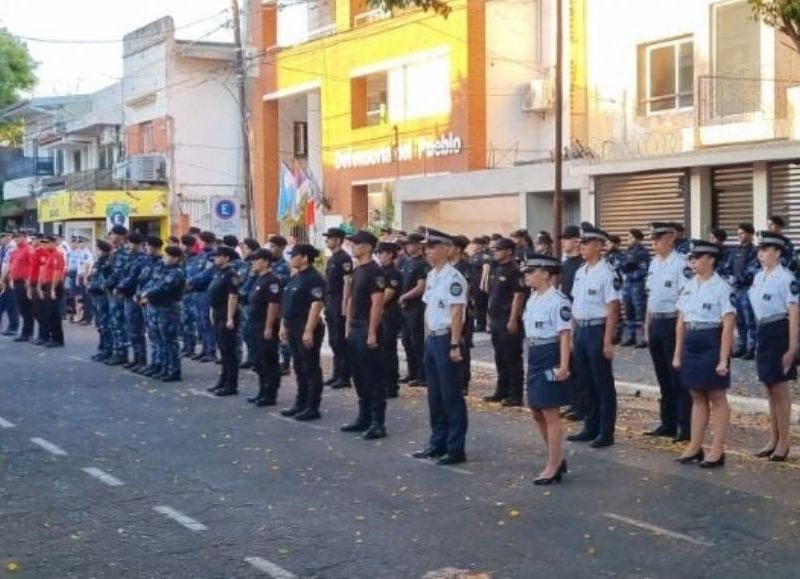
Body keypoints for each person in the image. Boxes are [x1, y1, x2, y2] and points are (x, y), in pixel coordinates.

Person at [673, 240, 736, 468]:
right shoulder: (689, 285)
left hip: (711, 340)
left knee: (717, 397)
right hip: (691, 340)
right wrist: (677, 353)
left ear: (710, 259)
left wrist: (722, 358)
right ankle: (694, 446)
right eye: (691, 258)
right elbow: (680, 322)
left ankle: (717, 449)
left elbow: (728, 326)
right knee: (697, 396)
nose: (693, 262)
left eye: (697, 258)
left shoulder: (722, 287)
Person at [412, 229, 469, 465]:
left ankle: (455, 447)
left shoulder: (454, 278)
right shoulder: (433, 275)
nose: (428, 251)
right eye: (427, 248)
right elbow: (429, 309)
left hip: (447, 338)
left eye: (433, 247)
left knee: (451, 395)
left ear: (447, 249)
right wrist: (427, 336)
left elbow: (457, 312)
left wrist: (454, 344)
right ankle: (437, 442)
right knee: (434, 395)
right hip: (433, 338)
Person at [567, 226, 622, 449]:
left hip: (597, 330)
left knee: (602, 382)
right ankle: (590, 425)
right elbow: (574, 305)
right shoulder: (581, 271)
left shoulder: (607, 273)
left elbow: (613, 308)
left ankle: (605, 431)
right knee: (585, 381)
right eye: (581, 244)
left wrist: (608, 340)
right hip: (581, 329)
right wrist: (572, 334)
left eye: (586, 244)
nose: (582, 247)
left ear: (599, 246)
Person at [522, 254, 573, 484]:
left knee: (550, 412)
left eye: (531, 271)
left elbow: (564, 335)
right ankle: (556, 458)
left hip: (550, 354)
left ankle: (553, 465)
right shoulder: (533, 298)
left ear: (545, 273)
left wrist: (563, 365)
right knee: (536, 411)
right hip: (534, 354)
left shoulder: (558, 300)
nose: (527, 275)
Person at [749, 231, 799, 461]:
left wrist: (792, 347)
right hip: (763, 331)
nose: (761, 254)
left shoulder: (786, 278)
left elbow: (794, 313)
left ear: (778, 252)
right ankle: (773, 438)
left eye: (766, 250)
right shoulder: (760, 277)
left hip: (780, 330)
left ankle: (784, 442)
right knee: (769, 388)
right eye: (760, 250)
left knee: (780, 390)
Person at [644, 223, 692, 442]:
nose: (653, 243)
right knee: (662, 376)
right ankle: (668, 422)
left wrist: (680, 327)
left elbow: (685, 298)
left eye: (657, 238)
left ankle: (684, 425)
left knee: (678, 376)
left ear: (670, 238)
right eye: (652, 239)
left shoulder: (680, 264)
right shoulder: (654, 263)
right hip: (656, 321)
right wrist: (647, 324)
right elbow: (651, 296)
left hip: (673, 322)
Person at [341, 230, 387, 439]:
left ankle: (378, 422)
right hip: (356, 327)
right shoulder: (359, 270)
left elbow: (377, 303)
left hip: (368, 328)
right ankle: (364, 417)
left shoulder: (374, 271)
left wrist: (371, 332)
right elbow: (351, 300)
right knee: (358, 375)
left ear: (368, 247)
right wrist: (348, 326)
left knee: (373, 376)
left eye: (356, 244)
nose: (352, 246)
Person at [279, 243, 326, 421]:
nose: (291, 258)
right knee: (298, 366)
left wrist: (308, 330)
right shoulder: (295, 276)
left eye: (294, 255)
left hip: (305, 326)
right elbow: (287, 303)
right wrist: (284, 325)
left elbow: (316, 304)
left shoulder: (314, 278)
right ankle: (300, 402)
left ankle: (312, 406)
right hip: (292, 326)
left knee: (310, 367)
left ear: (305, 257)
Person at [483, 237, 525, 407]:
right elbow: (491, 296)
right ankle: (501, 391)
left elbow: (519, 296)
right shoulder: (496, 268)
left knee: (512, 358)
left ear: (508, 251)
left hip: (508, 319)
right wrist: (488, 317)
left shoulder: (514, 271)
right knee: (500, 357)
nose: (495, 252)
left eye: (499, 249)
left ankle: (515, 394)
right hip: (496, 319)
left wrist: (513, 319)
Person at [140, 245, 186, 382]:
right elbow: (152, 282)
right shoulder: (164, 269)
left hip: (168, 308)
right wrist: (145, 292)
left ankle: (173, 370)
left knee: (169, 340)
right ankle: (163, 367)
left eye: (167, 256)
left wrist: (147, 293)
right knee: (158, 339)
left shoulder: (176, 272)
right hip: (156, 306)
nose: (164, 259)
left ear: (176, 258)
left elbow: (163, 287)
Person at [244, 248, 282, 407]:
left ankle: (270, 394)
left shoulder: (272, 280)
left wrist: (268, 327)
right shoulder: (258, 278)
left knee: (268, 360)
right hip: (254, 324)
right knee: (259, 361)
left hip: (264, 325)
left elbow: (273, 305)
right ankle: (262, 391)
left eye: (256, 259)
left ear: (265, 262)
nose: (253, 262)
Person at [206, 246, 241, 396]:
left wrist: (230, 318)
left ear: (226, 258)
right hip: (218, 312)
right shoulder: (218, 273)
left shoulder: (231, 274)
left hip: (227, 314)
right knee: (223, 349)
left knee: (229, 351)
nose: (215, 258)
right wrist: (211, 311)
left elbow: (233, 296)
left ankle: (231, 384)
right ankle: (223, 380)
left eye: (218, 256)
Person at [559, 224, 585, 422]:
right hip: (566, 317)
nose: (563, 242)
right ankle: (575, 402)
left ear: (577, 240)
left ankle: (583, 406)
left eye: (567, 239)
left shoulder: (581, 264)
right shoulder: (565, 264)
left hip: (579, 318)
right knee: (572, 364)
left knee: (581, 365)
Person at [322, 227, 353, 389]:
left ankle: (344, 376)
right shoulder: (332, 258)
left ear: (338, 240)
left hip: (339, 300)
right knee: (334, 340)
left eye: (330, 238)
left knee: (340, 340)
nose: (327, 240)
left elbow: (347, 282)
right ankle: (336, 373)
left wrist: (344, 305)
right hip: (330, 300)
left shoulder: (344, 258)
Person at [723, 223, 758, 360]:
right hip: (736, 289)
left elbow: (752, 271)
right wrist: (729, 278)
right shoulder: (734, 251)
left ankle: (752, 347)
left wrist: (738, 278)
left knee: (750, 320)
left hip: (747, 289)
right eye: (738, 233)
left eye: (742, 233)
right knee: (739, 320)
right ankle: (742, 346)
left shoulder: (754, 251)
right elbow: (726, 267)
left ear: (750, 234)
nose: (739, 236)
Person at [398, 232, 429, 387]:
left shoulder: (422, 263)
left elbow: (421, 286)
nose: (407, 247)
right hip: (404, 308)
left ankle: (421, 374)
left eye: (410, 244)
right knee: (406, 342)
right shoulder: (405, 262)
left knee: (417, 341)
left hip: (416, 307)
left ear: (418, 245)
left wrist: (405, 297)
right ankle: (411, 372)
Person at [117, 233, 149, 370]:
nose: (128, 246)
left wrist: (120, 287)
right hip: (128, 296)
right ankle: (136, 358)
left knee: (136, 329)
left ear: (136, 244)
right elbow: (123, 275)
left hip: (135, 296)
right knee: (131, 329)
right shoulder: (131, 258)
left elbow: (134, 278)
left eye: (129, 243)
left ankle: (141, 359)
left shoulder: (141, 259)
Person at [134, 236, 165, 376]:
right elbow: (142, 281)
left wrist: (146, 296)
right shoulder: (148, 262)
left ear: (155, 247)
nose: (146, 248)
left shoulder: (161, 263)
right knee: (152, 335)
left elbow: (157, 284)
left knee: (159, 336)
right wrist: (138, 294)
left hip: (154, 302)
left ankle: (161, 364)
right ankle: (155, 363)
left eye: (148, 246)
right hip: (145, 302)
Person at [377, 242, 403, 398]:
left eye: (383, 253)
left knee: (388, 351)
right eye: (379, 253)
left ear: (390, 255)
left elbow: (388, 294)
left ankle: (391, 385)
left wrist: (374, 305)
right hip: (380, 315)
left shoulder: (393, 273)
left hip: (389, 315)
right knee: (380, 351)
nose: (380, 256)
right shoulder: (381, 271)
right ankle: (383, 382)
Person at [187, 231, 218, 363]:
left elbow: (207, 274)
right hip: (196, 291)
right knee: (200, 322)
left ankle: (211, 350)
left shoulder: (212, 256)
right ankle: (205, 348)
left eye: (205, 241)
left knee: (206, 322)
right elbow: (192, 270)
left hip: (205, 291)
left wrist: (192, 280)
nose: (203, 243)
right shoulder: (200, 255)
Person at [104, 225, 131, 365]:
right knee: (114, 322)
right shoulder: (114, 252)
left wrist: (108, 283)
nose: (111, 236)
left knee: (119, 322)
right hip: (112, 290)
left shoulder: (124, 252)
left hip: (118, 291)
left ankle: (121, 353)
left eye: (113, 234)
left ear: (120, 236)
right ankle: (117, 351)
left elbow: (118, 273)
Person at [451, 235, 474, 393]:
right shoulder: (446, 267)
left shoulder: (465, 268)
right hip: (448, 315)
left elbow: (465, 293)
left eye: (450, 246)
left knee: (462, 347)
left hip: (463, 313)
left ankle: (462, 381)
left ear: (458, 249)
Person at [620, 228, 650, 348]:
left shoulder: (643, 253)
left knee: (640, 312)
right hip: (627, 285)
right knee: (629, 311)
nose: (629, 240)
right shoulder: (627, 252)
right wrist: (626, 269)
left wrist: (631, 273)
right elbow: (622, 266)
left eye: (632, 237)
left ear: (638, 239)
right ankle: (631, 336)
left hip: (637, 285)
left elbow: (644, 270)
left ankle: (642, 338)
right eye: (628, 237)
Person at [269, 235, 292, 374]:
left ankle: (286, 363)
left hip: (281, 303)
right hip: (270, 304)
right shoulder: (268, 264)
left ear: (281, 248)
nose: (271, 249)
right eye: (270, 246)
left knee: (283, 336)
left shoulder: (284, 266)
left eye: (273, 247)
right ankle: (275, 360)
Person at [38, 235, 66, 347]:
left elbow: (56, 273)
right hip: (48, 285)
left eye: (47, 242)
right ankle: (52, 337)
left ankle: (57, 339)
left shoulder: (57, 255)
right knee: (48, 313)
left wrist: (53, 289)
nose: (44, 245)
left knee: (53, 313)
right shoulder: (50, 255)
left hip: (53, 285)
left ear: (54, 243)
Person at [88, 240, 113, 362]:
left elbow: (105, 280)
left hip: (103, 296)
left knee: (105, 324)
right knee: (100, 324)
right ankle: (102, 348)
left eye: (97, 249)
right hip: (96, 296)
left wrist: (96, 286)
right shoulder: (99, 262)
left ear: (102, 250)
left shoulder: (107, 263)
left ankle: (108, 349)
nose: (96, 251)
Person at [9, 230, 34, 341]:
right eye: (15, 237)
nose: (17, 239)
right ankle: (26, 332)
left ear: (25, 237)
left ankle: (27, 333)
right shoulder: (15, 251)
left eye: (19, 237)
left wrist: (29, 282)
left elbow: (33, 267)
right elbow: (12, 265)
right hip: (16, 282)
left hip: (25, 282)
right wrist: (10, 278)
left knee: (26, 309)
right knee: (22, 308)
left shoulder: (28, 250)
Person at [179, 235, 201, 358]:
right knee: (184, 322)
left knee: (190, 322)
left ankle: (191, 347)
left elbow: (192, 278)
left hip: (191, 294)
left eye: (182, 244)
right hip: (183, 295)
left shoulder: (196, 259)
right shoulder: (183, 259)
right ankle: (186, 346)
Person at [468, 236, 492, 332]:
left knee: (482, 304)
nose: (474, 245)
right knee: (476, 304)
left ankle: (481, 324)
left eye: (476, 244)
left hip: (479, 284)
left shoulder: (484, 255)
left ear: (481, 245)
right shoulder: (473, 256)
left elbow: (486, 269)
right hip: (473, 283)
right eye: (473, 243)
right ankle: (479, 323)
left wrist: (483, 282)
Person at [0, 231, 19, 336]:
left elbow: (7, 265)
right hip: (4, 278)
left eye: (4, 237)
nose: (1, 239)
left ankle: (13, 327)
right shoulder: (3, 248)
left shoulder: (11, 248)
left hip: (10, 279)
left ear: (9, 237)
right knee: (2, 302)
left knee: (11, 304)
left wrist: (2, 280)